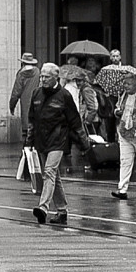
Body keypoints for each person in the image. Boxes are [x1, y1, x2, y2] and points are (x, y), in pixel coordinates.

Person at [28, 61, 98, 225]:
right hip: (41, 140)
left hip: (58, 140)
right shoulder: (36, 93)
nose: (43, 79)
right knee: (54, 176)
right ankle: (62, 211)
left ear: (56, 78)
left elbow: (75, 121)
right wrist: (28, 141)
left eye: (47, 77)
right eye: (42, 76)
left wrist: (84, 142)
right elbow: (31, 119)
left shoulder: (64, 96)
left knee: (49, 172)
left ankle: (43, 207)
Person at [8, 52, 40, 134]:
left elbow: (16, 92)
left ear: (22, 62)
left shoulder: (21, 74)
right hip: (37, 100)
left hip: (25, 102)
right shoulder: (37, 72)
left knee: (26, 129)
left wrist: (12, 106)